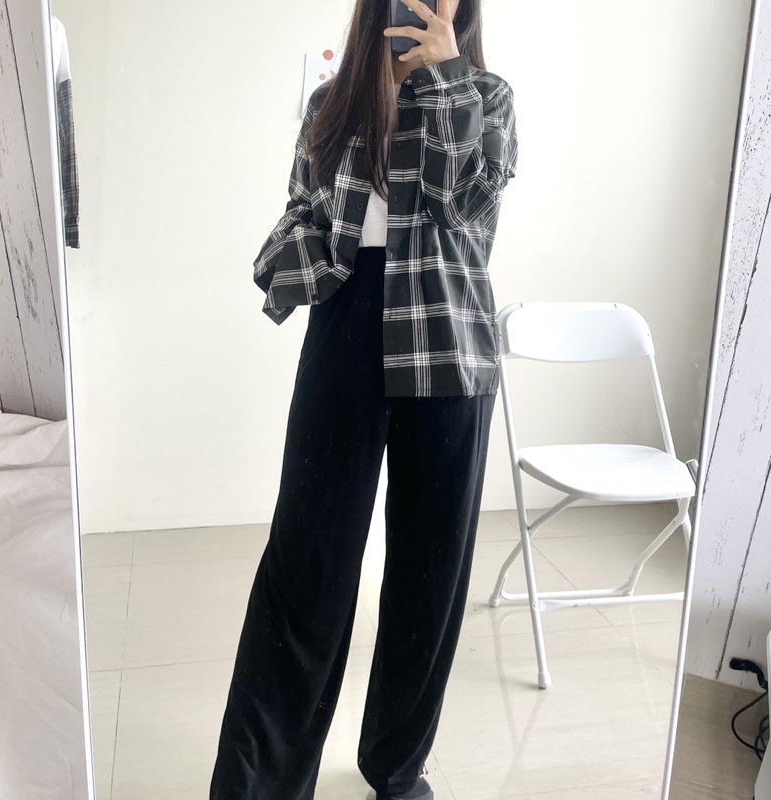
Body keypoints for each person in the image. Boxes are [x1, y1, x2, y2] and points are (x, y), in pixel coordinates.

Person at [210, 0, 517, 798]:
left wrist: (443, 80)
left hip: (446, 339)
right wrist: (297, 259)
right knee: (305, 565)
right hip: (346, 326)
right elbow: (302, 210)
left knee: (429, 575)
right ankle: (260, 784)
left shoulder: (488, 97)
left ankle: (396, 769)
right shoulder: (333, 104)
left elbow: (465, 209)